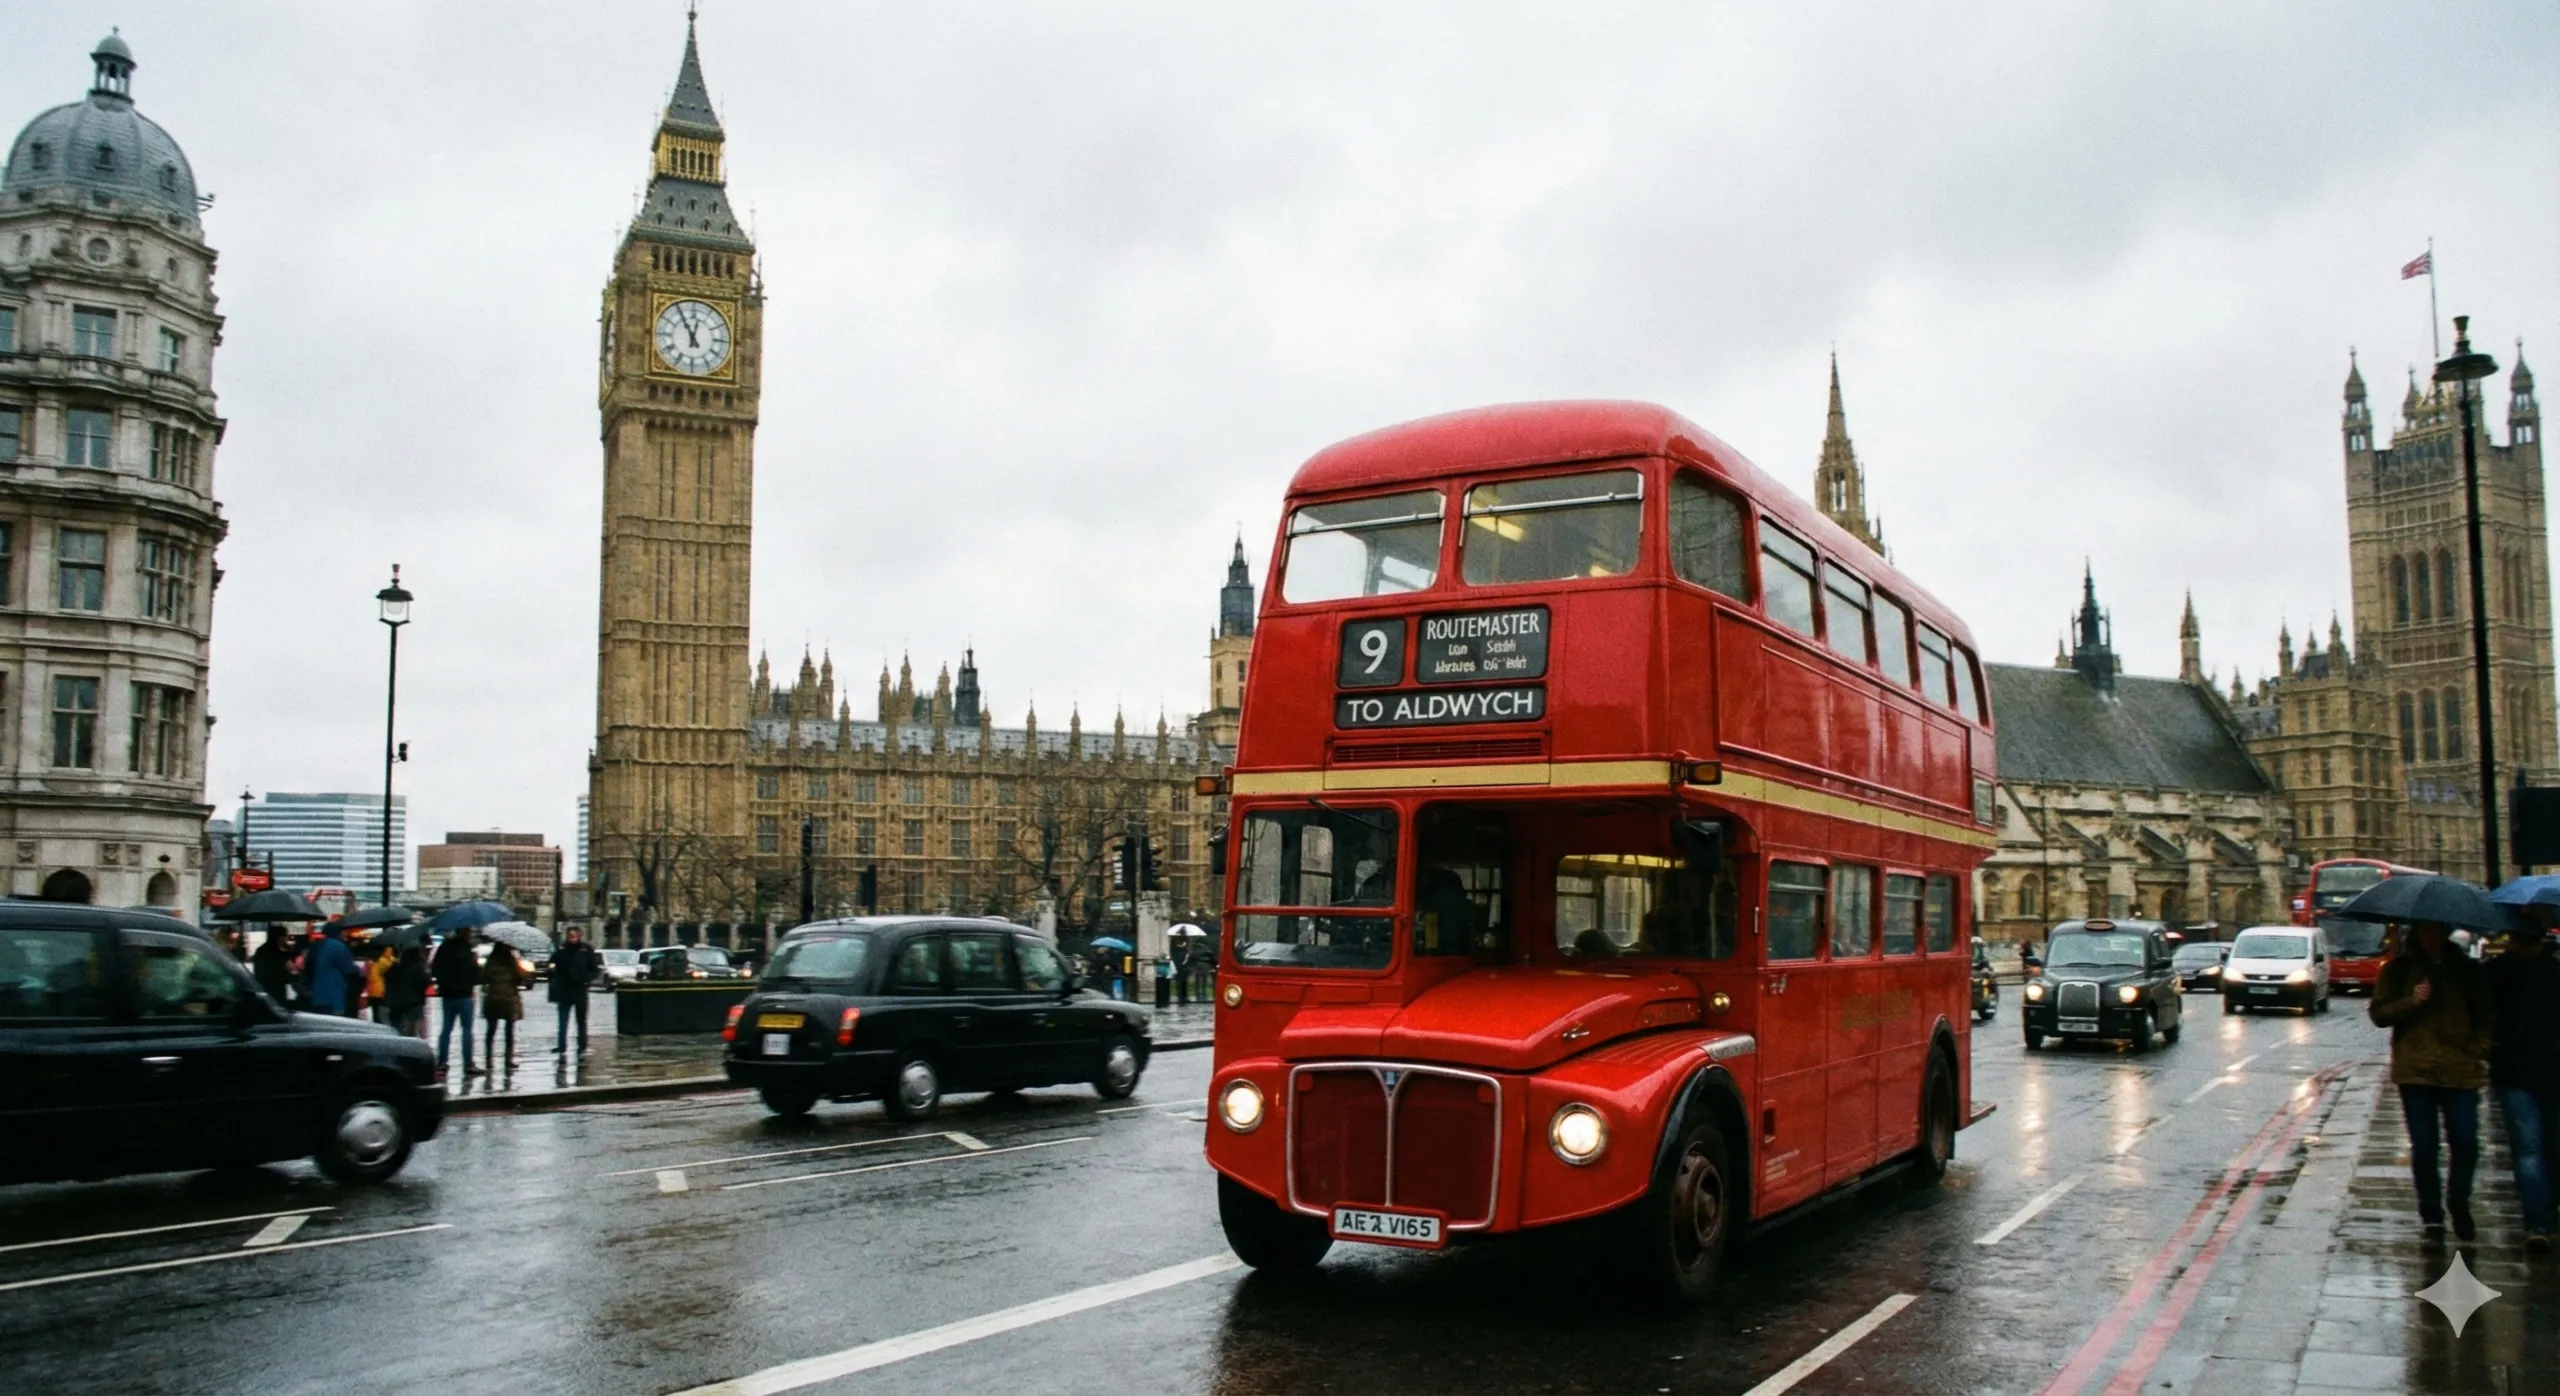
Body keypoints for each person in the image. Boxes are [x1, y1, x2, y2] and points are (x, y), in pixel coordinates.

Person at [2371, 919, 2496, 1241]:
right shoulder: (2398, 969)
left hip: (2461, 1069)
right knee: (2425, 1148)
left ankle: (2458, 1201)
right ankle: (2432, 1217)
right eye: (2426, 930)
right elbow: (2379, 1015)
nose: (2432, 936)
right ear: (2418, 932)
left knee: (2466, 1143)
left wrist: (2477, 1049)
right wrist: (2411, 1001)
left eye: (2437, 929)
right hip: (2416, 1071)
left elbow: (2486, 1015)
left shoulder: (2468, 969)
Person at [2487, 912, 2560, 1252]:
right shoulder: (2553, 971)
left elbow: (2486, 1016)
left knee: (2530, 1149)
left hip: (2515, 1071)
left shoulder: (2498, 973)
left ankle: (2539, 1221)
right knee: (2540, 1147)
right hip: (2541, 1071)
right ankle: (2542, 1220)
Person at [432, 929, 482, 1077]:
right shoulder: (467, 951)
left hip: (448, 995)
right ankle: (468, 1064)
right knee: (467, 1030)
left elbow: (436, 969)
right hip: (464, 995)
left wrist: (444, 986)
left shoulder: (444, 948)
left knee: (446, 1029)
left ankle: (442, 1061)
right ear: (465, 933)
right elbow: (476, 976)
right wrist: (475, 965)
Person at [549, 927, 602, 1058]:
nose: (572, 938)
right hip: (564, 990)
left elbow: (594, 969)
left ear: (579, 936)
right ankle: (561, 1046)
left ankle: (582, 1046)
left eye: (574, 936)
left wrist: (586, 979)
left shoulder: (586, 950)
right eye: (570, 936)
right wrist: (555, 976)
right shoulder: (561, 951)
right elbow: (551, 967)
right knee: (563, 1020)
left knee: (581, 1020)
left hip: (580, 989)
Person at [480, 940, 527, 1071]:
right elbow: (520, 978)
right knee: (509, 1031)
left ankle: (489, 1059)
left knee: (491, 1031)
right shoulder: (511, 961)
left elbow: (484, 977)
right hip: (509, 998)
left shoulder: (491, 960)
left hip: (493, 998)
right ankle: (508, 1059)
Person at [301, 923, 361, 1017]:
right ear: (339, 933)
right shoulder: (339, 947)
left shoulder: (316, 946)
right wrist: (359, 969)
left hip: (316, 994)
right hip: (335, 994)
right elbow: (349, 969)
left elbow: (308, 967)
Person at [383, 942, 430, 1039]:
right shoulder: (417, 969)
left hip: (395, 1003)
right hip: (412, 1004)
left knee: (396, 1028)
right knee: (411, 1031)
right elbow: (426, 983)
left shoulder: (394, 967)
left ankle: (396, 1044)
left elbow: (386, 979)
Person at [251, 929, 293, 1006]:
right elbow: (286, 969)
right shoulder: (279, 953)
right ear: (280, 938)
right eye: (286, 936)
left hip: (262, 986)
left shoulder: (261, 950)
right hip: (276, 987)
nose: (287, 939)